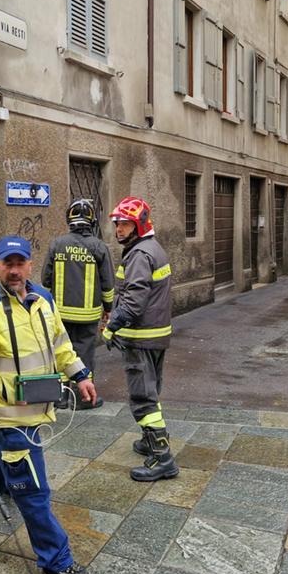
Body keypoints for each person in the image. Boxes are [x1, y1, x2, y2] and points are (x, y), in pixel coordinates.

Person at [0, 236, 101, 574]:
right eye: (7, 263)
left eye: (20, 263)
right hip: (7, 418)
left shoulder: (43, 298)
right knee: (32, 490)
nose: (14, 270)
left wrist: (80, 374)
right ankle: (56, 561)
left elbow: (60, 342)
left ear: (30, 264)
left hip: (33, 411)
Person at [103, 196, 178, 482]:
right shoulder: (153, 249)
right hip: (156, 335)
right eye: (117, 224)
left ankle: (162, 458)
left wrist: (112, 327)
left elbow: (133, 302)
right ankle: (149, 440)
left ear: (139, 225)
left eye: (125, 224)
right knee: (151, 390)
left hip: (141, 338)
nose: (119, 229)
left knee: (143, 397)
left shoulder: (139, 255)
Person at [41, 199, 114, 410]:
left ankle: (60, 398)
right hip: (87, 316)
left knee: (61, 352)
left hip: (60, 314)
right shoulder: (99, 247)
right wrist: (108, 309)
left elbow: (45, 280)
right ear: (92, 220)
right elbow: (108, 284)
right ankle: (82, 399)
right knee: (84, 355)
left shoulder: (57, 244)